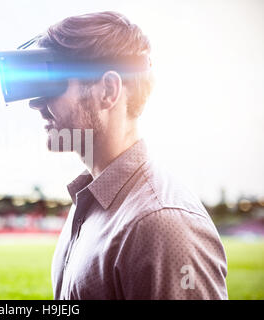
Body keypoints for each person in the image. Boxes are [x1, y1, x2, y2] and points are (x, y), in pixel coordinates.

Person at [28, 11, 228, 299]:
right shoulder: (90, 202)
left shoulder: (162, 224)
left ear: (108, 90)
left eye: (53, 83)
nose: (37, 104)